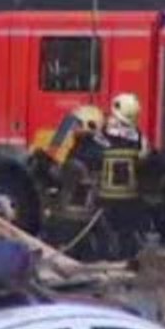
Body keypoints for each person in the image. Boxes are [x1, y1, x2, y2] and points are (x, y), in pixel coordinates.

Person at [42, 105, 107, 259]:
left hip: (73, 211)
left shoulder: (81, 153)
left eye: (76, 124)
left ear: (89, 124)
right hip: (94, 208)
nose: (72, 128)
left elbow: (65, 176)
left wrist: (47, 166)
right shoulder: (101, 148)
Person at [98, 92, 149, 259]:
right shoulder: (140, 138)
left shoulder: (102, 136)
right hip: (130, 196)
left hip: (105, 196)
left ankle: (106, 257)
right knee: (127, 233)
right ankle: (126, 259)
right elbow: (145, 162)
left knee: (105, 232)